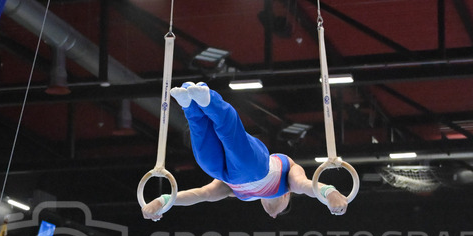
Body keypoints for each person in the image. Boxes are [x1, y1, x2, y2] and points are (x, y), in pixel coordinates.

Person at [140, 84, 349, 221]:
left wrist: (163, 202)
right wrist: (330, 193)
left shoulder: (239, 193)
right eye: (284, 207)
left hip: (226, 174)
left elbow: (201, 194)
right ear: (287, 197)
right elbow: (307, 186)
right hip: (258, 166)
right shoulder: (288, 183)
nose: (273, 214)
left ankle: (190, 106)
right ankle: (209, 100)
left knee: (205, 156)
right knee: (230, 136)